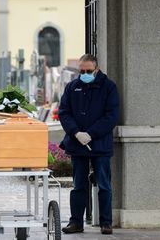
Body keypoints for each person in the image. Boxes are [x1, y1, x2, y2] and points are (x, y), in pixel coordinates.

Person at [59, 54, 119, 235]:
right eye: (82, 71)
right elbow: (64, 112)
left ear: (97, 69)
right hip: (77, 143)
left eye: (88, 71)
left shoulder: (109, 87)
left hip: (99, 144)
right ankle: (76, 221)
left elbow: (111, 116)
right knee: (78, 185)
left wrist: (91, 134)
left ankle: (106, 222)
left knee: (104, 184)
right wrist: (76, 132)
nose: (84, 74)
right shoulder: (72, 87)